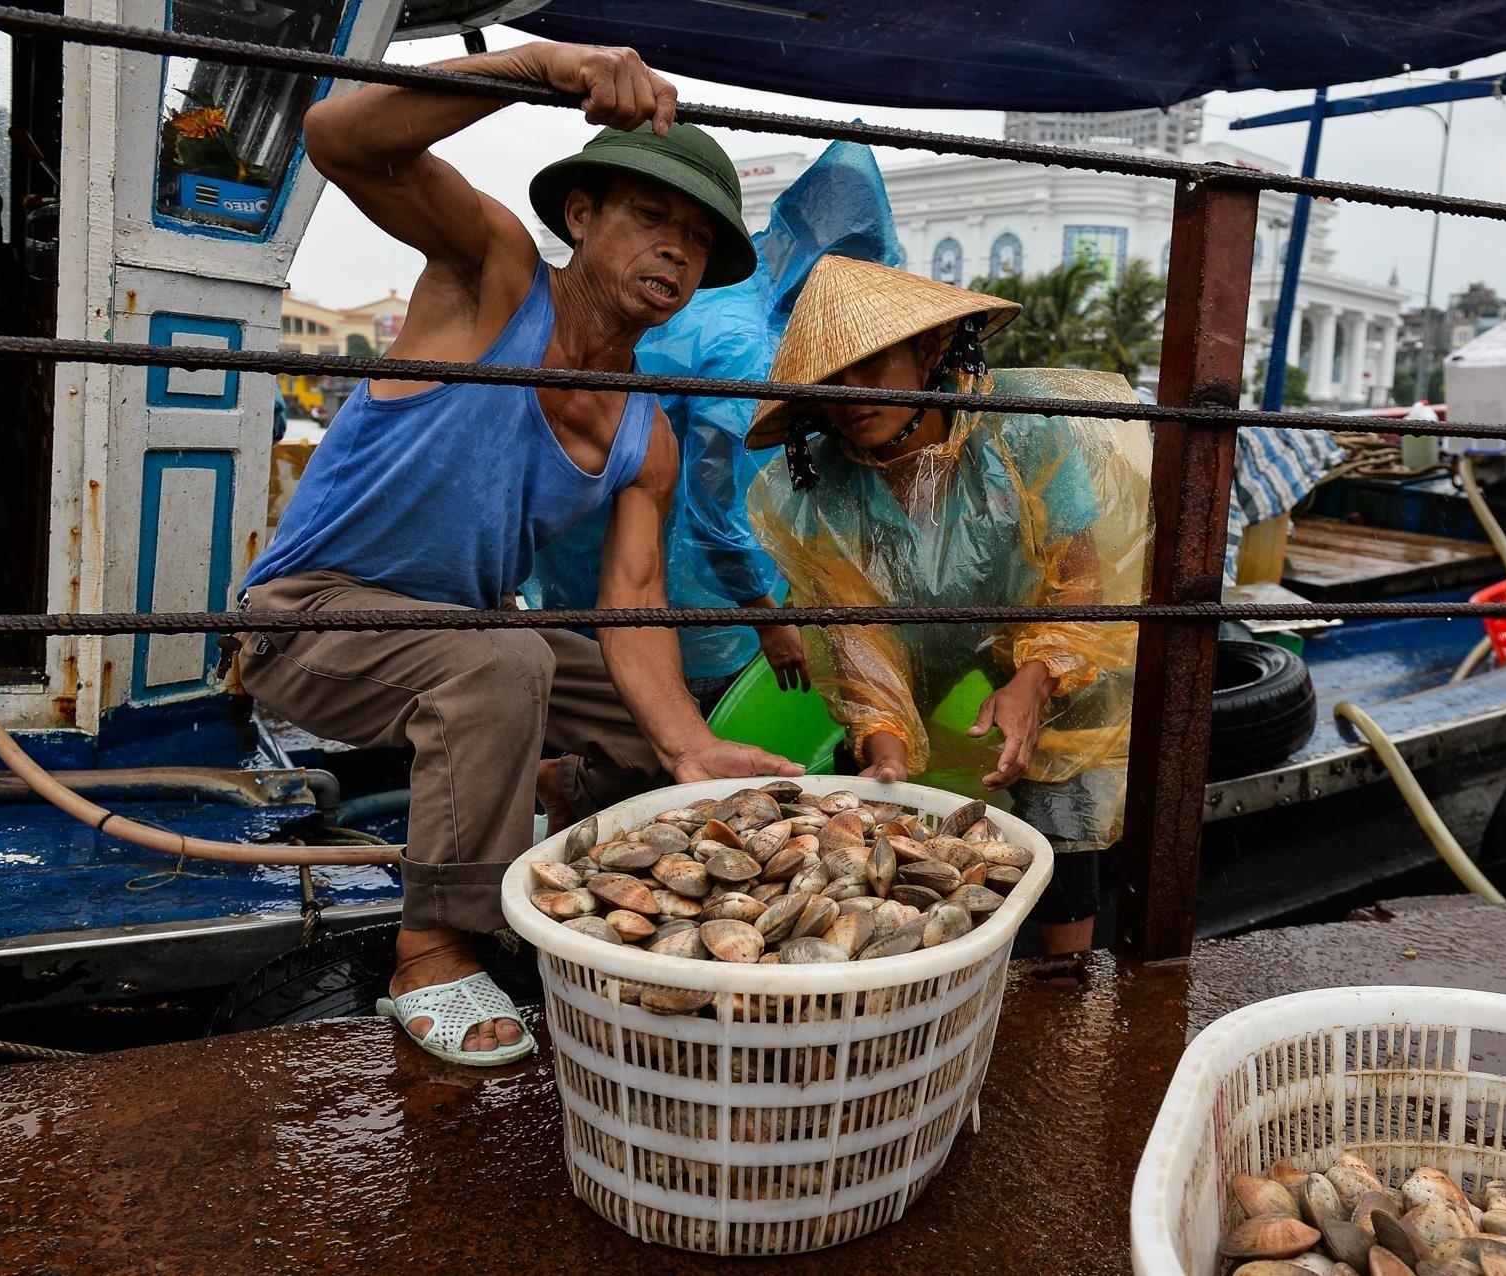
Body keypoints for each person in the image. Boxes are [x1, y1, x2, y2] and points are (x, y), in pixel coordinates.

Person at [234, 42, 799, 1067]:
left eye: (698, 242)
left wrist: (685, 747)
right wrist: (540, 69)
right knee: (505, 660)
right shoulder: (491, 277)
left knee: (647, 715)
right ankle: (433, 950)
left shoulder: (645, 435)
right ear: (580, 216)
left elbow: (634, 608)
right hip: (309, 620)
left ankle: (593, 875)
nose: (676, 252)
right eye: (652, 217)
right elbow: (338, 138)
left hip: (463, 636)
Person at [745, 257, 1151, 955]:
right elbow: (861, 646)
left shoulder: (1023, 432)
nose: (851, 394)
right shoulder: (826, 488)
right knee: (869, 801)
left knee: (1062, 783)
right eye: (832, 378)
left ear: (930, 350)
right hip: (914, 647)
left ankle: (1066, 975)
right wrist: (886, 754)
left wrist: (1035, 679)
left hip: (1035, 628)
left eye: (872, 364)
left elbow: (1079, 581)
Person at [524, 141, 906, 710]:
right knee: (675, 733)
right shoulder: (744, 340)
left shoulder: (723, 298)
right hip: (687, 616)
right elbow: (714, 498)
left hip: (577, 585)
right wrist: (763, 614)